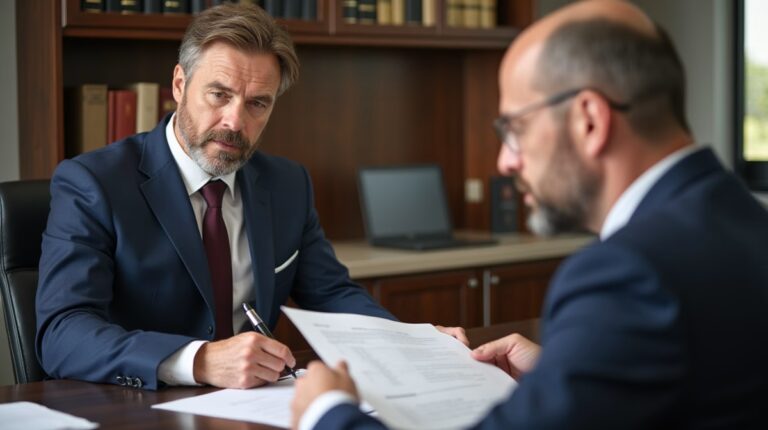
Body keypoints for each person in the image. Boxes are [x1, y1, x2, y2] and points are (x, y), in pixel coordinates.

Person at [291, 0, 768, 428]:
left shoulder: (627, 273)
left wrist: (326, 413)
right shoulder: (744, 219)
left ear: (589, 120)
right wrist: (563, 373)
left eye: (515, 129)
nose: (506, 161)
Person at [36, 3, 465, 391]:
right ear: (180, 84)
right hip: (136, 406)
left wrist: (410, 342)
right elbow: (62, 332)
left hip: (251, 407)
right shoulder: (94, 183)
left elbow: (333, 294)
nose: (235, 121)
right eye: (219, 95)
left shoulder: (287, 184)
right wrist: (199, 361)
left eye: (258, 103)